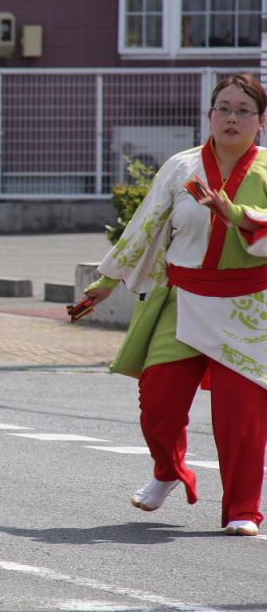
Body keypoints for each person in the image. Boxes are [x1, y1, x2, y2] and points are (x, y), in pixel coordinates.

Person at [85, 73, 267, 537]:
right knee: (158, 401)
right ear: (209, 115)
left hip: (249, 305)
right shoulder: (181, 167)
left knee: (242, 415)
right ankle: (169, 470)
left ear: (260, 122)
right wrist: (107, 280)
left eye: (243, 110)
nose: (231, 118)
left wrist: (237, 214)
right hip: (182, 298)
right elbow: (147, 225)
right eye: (223, 108)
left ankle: (242, 508)